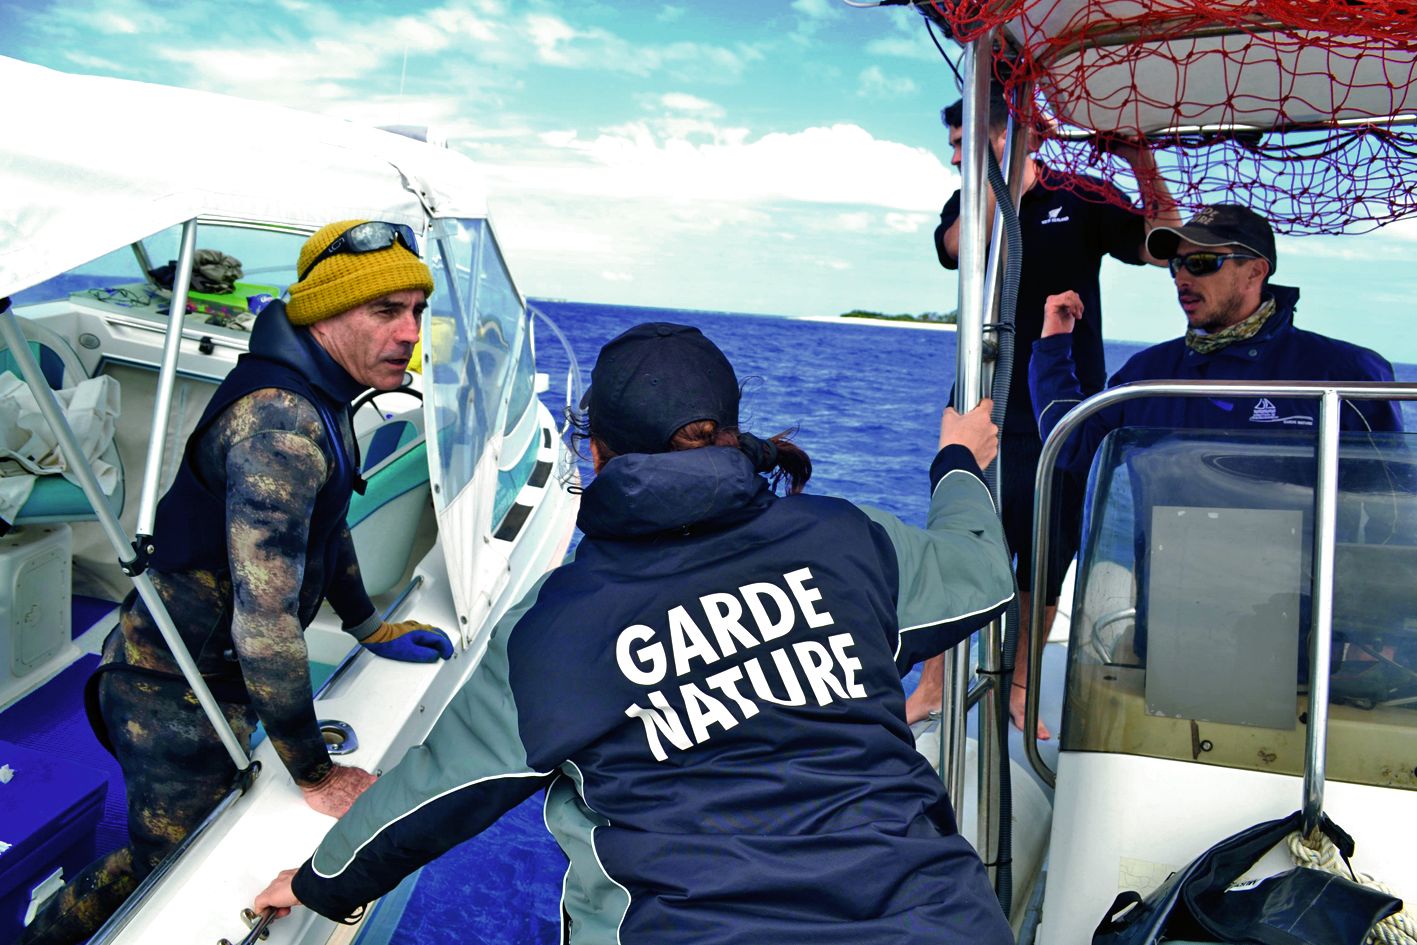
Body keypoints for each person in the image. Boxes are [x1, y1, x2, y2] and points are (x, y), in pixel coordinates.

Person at [254, 322, 1018, 944]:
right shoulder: (849, 538)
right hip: (939, 919)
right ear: (730, 431)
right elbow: (980, 574)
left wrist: (322, 880)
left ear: (595, 453)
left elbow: (436, 793)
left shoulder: (554, 627)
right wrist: (956, 461)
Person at [20, 220, 454, 945]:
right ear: (325, 314)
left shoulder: (324, 392)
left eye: (416, 309)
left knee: (174, 850)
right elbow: (265, 622)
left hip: (216, 675)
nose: (410, 331)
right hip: (169, 686)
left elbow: (326, 525)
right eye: (385, 311)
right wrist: (314, 771)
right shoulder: (279, 428)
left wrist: (367, 625)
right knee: (162, 866)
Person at [912, 85, 1181, 738]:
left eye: (961, 144)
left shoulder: (1082, 195)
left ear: (1002, 132)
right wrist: (995, 178)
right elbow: (957, 250)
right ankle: (932, 685)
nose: (953, 159)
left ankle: (1022, 680)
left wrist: (1141, 164)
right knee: (956, 533)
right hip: (980, 397)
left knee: (1044, 547)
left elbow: (1160, 246)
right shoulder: (972, 202)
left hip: (1056, 398)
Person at [1031, 202, 1402, 479]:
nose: (1182, 279)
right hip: (1167, 582)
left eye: (1203, 262)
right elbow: (1071, 448)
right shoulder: (1145, 377)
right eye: (1178, 265)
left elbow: (1389, 502)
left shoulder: (1345, 375)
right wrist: (1053, 346)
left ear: (1254, 272)